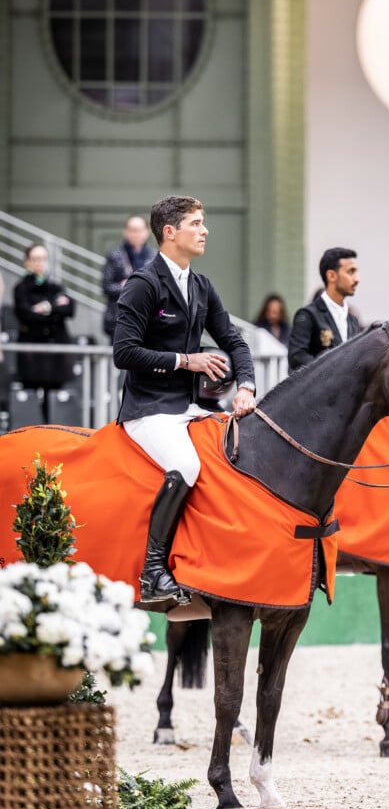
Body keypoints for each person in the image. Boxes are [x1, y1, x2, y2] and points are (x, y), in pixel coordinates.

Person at [113, 195, 256, 606]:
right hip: (149, 410)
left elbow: (233, 341)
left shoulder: (201, 286)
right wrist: (184, 360)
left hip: (192, 409)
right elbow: (124, 353)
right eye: (196, 223)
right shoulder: (142, 285)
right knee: (186, 464)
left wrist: (245, 385)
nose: (205, 230)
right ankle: (153, 572)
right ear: (170, 232)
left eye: (203, 222)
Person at [13, 243, 76, 422]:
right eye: (35, 259)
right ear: (27, 262)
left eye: (42, 259)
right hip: (33, 353)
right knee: (33, 400)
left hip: (55, 353)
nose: (39, 263)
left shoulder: (55, 287)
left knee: (54, 399)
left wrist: (46, 308)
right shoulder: (21, 288)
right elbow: (26, 315)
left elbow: (69, 309)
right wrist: (55, 310)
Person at [288, 247, 361, 371]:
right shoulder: (308, 315)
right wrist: (335, 370)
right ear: (331, 276)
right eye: (350, 272)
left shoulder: (353, 320)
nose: (357, 279)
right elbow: (297, 358)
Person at [102, 215, 155, 342]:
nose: (135, 234)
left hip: (147, 319)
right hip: (119, 319)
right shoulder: (115, 255)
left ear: (146, 232)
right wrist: (124, 287)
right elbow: (106, 286)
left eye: (138, 230)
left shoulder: (154, 257)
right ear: (125, 232)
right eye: (131, 230)